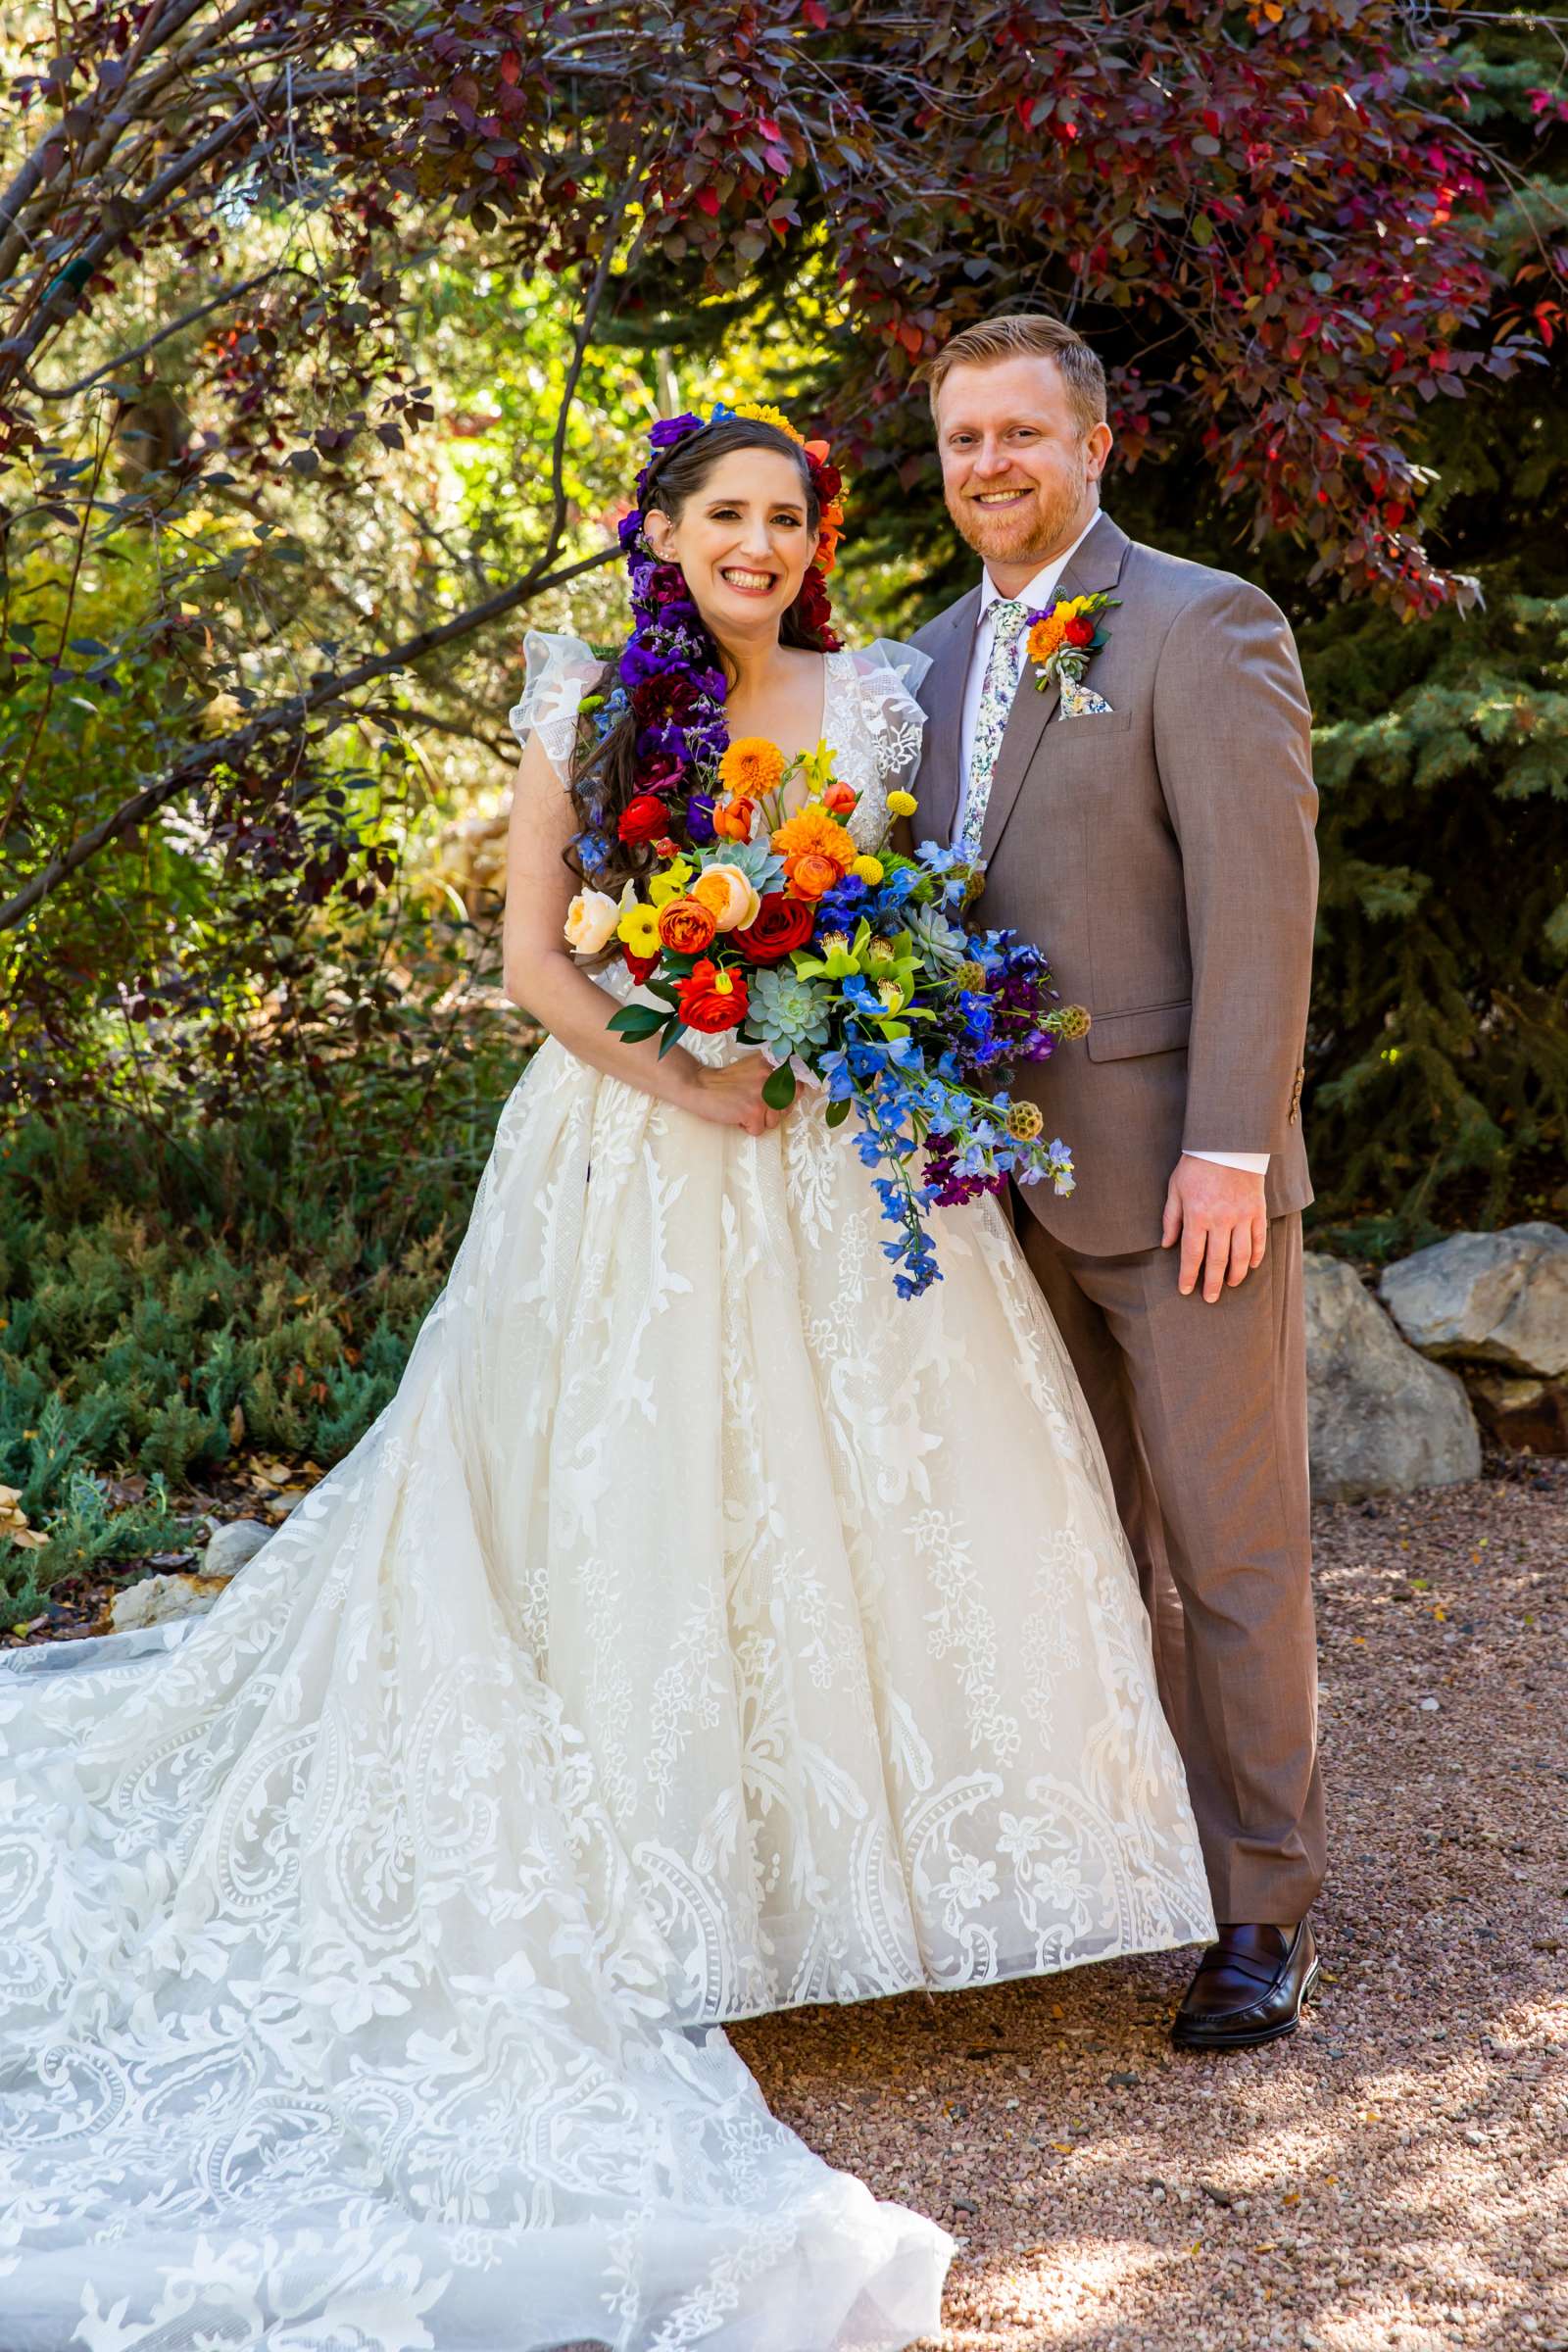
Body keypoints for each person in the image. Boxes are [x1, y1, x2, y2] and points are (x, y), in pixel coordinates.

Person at [0, 405, 1212, 2352]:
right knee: (625, 1501)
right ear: (656, 532)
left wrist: (850, 1027)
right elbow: (535, 965)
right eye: (720, 514)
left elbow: (894, 916)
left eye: (781, 516)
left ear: (809, 537)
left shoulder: (874, 696)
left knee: (876, 1504)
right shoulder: (585, 698)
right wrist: (685, 1072)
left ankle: (864, 1895)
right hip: (631, 1155)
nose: (753, 542)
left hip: (840, 1146)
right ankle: (675, 1887)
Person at [907, 314, 1326, 2051]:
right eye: (960, 441)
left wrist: (1234, 1146)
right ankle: (1111, 1873)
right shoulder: (920, 664)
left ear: (1096, 445)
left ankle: (1261, 1914)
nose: (989, 465)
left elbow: (1260, 898)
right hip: (988, 1192)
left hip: (1179, 1182)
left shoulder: (1202, 622)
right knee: (1069, 1554)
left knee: (1235, 1556)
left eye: (1020, 433)